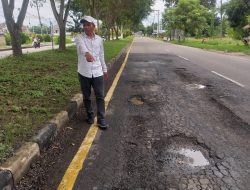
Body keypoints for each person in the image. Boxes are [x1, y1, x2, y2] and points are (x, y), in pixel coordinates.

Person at [74, 16, 108, 129]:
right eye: (84, 25)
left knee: (100, 96)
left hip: (97, 71)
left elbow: (101, 55)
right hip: (84, 72)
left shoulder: (99, 39)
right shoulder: (79, 37)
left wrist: (105, 69)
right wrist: (87, 54)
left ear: (94, 26)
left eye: (88, 24)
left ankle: (101, 119)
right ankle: (89, 115)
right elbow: (82, 47)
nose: (86, 27)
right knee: (87, 96)